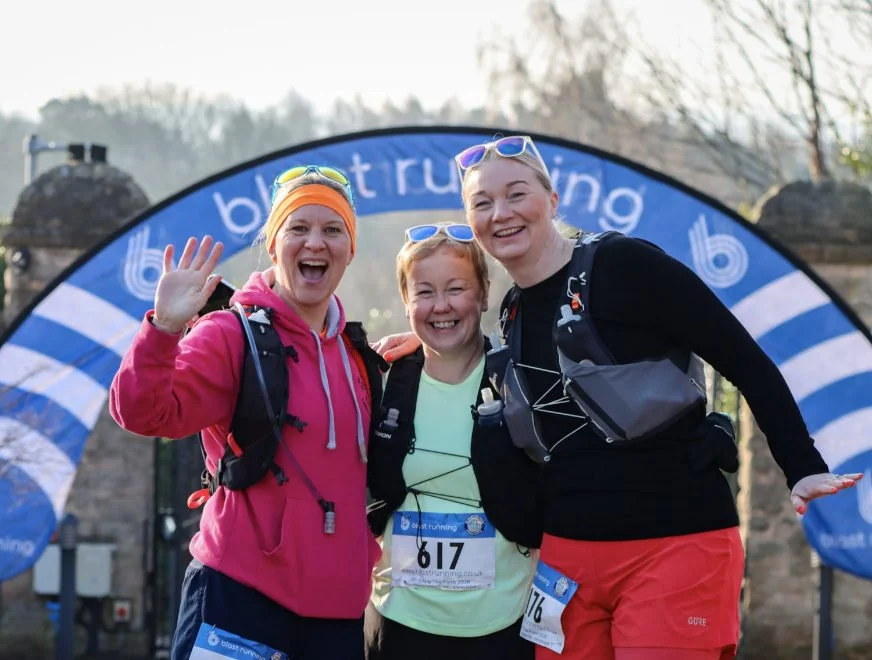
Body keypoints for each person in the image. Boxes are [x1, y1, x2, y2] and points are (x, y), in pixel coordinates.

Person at [374, 136, 864, 660]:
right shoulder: (513, 310)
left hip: (672, 542)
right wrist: (425, 345)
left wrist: (800, 464)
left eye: (516, 194)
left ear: (552, 199)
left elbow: (743, 358)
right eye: (482, 203)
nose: (501, 213)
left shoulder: (624, 264)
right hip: (567, 563)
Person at [109, 165, 382, 660]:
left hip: (336, 617)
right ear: (273, 244)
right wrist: (163, 329)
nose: (315, 242)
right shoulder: (230, 335)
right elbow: (141, 412)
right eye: (298, 228)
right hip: (238, 602)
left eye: (332, 229)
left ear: (350, 250)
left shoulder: (357, 356)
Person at [363, 223, 536, 660]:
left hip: (501, 627)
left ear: (483, 294)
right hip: (397, 625)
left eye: (456, 289)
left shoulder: (519, 382)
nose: (441, 306)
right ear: (406, 301)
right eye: (424, 292)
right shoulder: (380, 384)